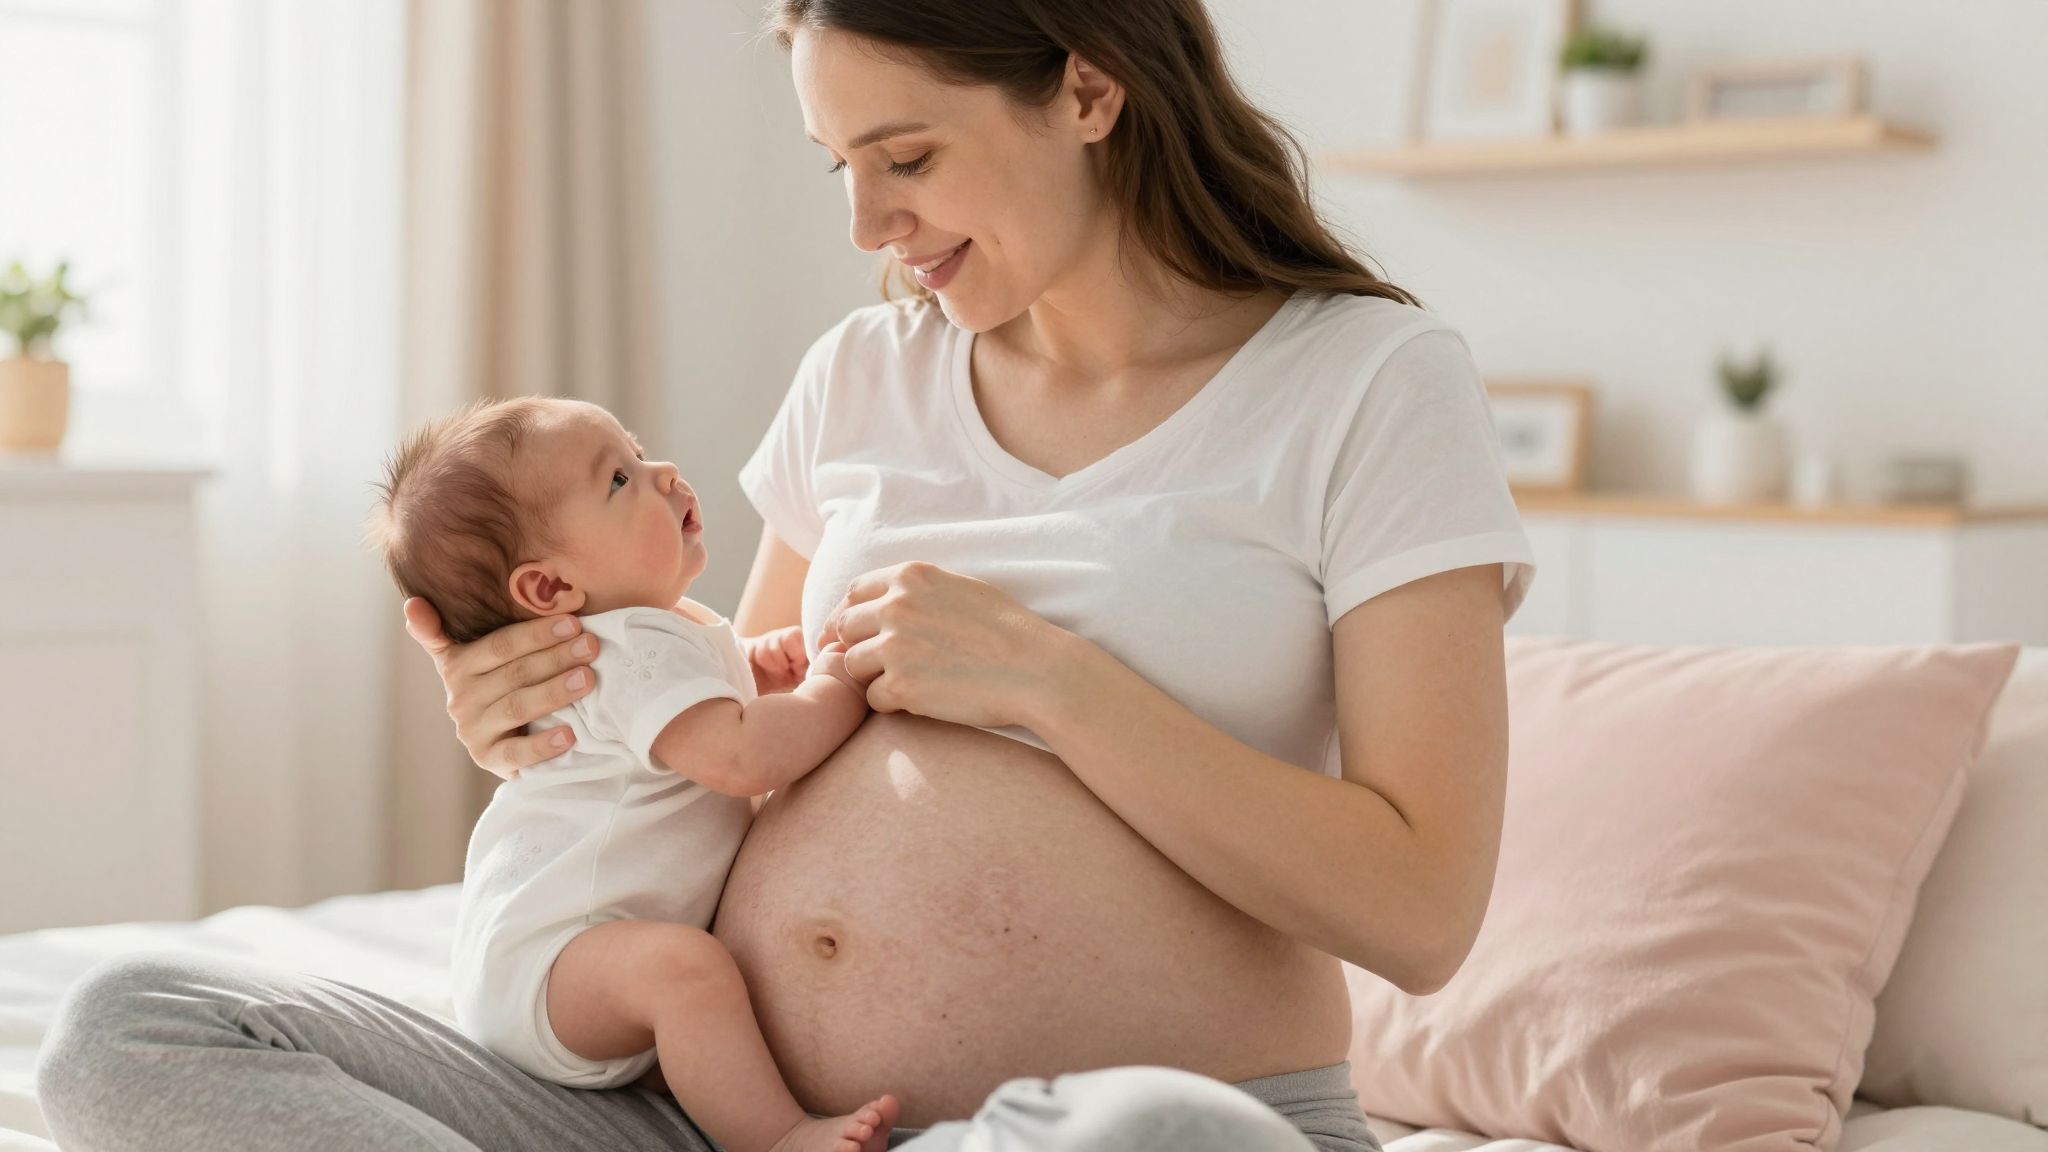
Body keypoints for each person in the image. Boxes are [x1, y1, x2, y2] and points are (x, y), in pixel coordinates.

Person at [34, 1, 1536, 1148]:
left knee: (1165, 1138)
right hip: (708, 1111)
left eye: (908, 157)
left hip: (1081, 1122)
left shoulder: (1364, 382)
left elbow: (1419, 909)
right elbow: (726, 750)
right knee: (131, 1028)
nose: (866, 225)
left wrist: (1057, 687)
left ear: (1089, 87)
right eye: (838, 165)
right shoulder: (862, 375)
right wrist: (554, 717)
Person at [367, 396, 896, 1152]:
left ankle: (676, 1072)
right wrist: (833, 685)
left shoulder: (642, 636)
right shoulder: (628, 645)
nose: (663, 473)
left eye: (639, 453)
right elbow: (741, 757)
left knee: (679, 981)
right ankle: (778, 1139)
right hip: (553, 962)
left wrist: (751, 666)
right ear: (548, 591)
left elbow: (682, 711)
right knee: (682, 970)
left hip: (547, 963)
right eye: (620, 479)